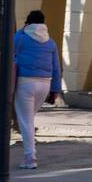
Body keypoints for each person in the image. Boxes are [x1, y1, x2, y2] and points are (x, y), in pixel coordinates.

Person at [12, 9, 61, 170]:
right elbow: (56, 68)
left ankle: (30, 157)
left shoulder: (20, 37)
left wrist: (22, 29)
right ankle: (29, 153)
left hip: (25, 81)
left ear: (28, 22)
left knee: (26, 121)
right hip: (45, 83)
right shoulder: (50, 42)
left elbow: (11, 51)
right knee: (29, 118)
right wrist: (55, 90)